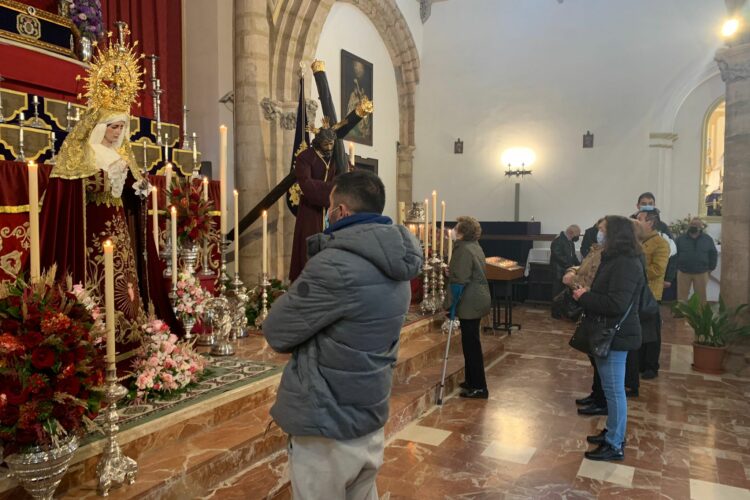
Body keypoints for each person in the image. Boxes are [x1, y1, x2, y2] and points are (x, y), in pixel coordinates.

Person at [263, 170, 423, 500]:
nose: (327, 213)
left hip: (327, 422)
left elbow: (276, 331)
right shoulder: (399, 262)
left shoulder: (336, 264)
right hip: (369, 411)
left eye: (330, 206)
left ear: (342, 212)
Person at [572, 215, 644, 461]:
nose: (598, 233)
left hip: (617, 334)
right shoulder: (615, 258)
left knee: (614, 392)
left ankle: (615, 444)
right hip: (609, 330)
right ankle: (611, 432)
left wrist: (584, 297)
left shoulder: (625, 263)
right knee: (610, 388)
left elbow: (616, 303)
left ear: (615, 234)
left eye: (602, 230)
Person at [564, 218, 609, 416]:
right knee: (593, 356)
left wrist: (579, 285)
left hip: (598, 305)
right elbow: (583, 267)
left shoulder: (611, 256)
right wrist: (571, 271)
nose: (598, 232)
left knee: (599, 357)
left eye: (602, 229)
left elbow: (596, 278)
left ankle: (601, 400)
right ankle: (595, 393)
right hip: (588, 302)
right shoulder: (596, 249)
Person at [288, 120, 338, 282]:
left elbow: (348, 180)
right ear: (318, 142)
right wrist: (335, 190)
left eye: (332, 144)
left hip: (334, 212)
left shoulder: (338, 157)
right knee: (308, 253)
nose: (329, 148)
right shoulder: (305, 157)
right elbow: (307, 185)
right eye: (326, 144)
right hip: (311, 212)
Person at [447, 216, 492, 399]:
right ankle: (471, 380)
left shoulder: (463, 249)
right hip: (478, 297)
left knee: (471, 345)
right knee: (471, 342)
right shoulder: (474, 246)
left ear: (462, 232)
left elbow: (459, 281)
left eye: (456, 228)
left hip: (469, 300)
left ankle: (479, 387)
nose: (453, 230)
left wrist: (450, 305)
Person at [636, 208, 670, 380]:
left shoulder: (661, 243)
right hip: (635, 292)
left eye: (639, 219)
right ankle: (640, 363)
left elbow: (657, 270)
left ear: (650, 222)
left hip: (651, 294)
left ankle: (651, 366)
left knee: (652, 333)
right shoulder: (638, 241)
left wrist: (634, 270)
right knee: (638, 330)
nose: (636, 222)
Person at [675, 217, 718, 304]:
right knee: (681, 296)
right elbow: (674, 253)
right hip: (683, 272)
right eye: (692, 224)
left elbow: (713, 253)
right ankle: (681, 313)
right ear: (688, 226)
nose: (694, 226)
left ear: (701, 227)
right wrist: (677, 267)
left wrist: (711, 268)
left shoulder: (707, 239)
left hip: (701, 272)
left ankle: (700, 314)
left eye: (696, 225)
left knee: (701, 296)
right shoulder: (680, 239)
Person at [551, 225, 581, 305]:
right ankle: (556, 312)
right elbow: (557, 255)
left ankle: (562, 310)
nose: (577, 237)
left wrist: (580, 265)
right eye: (577, 235)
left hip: (566, 269)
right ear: (571, 233)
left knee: (564, 292)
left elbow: (573, 255)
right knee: (557, 291)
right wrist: (569, 264)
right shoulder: (558, 240)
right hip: (558, 270)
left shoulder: (570, 241)